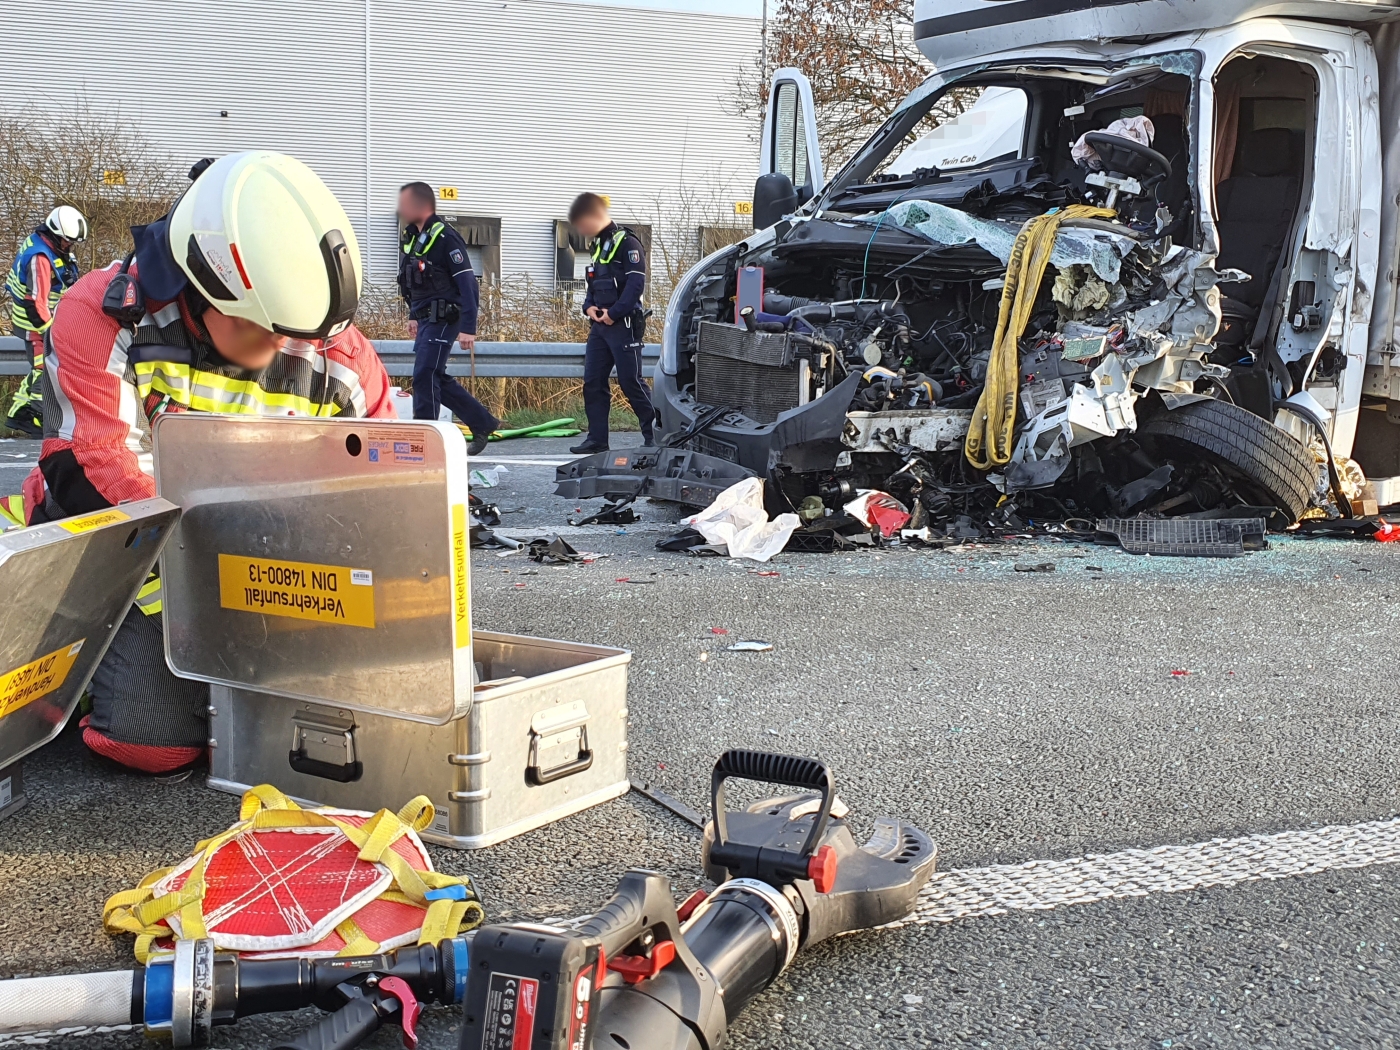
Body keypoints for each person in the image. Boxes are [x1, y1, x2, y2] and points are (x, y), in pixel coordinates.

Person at [21, 151, 398, 774]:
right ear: (202, 285)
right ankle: (83, 662)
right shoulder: (106, 314)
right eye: (261, 329)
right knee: (150, 746)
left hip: (269, 563)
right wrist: (226, 564)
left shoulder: (332, 344)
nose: (283, 348)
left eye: (296, 334)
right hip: (138, 557)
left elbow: (386, 482)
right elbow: (91, 461)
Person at [395, 182, 498, 456]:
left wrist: (468, 327)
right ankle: (482, 422)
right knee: (434, 375)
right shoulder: (413, 238)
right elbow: (414, 281)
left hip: (446, 317)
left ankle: (425, 440)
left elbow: (468, 284)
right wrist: (413, 315)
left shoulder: (446, 238)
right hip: (427, 318)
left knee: (425, 374)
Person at [567, 192, 653, 454]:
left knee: (631, 382)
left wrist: (614, 313)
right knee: (593, 381)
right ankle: (597, 439)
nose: (580, 230)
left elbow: (636, 285)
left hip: (623, 323)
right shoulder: (598, 246)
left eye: (582, 223)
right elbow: (593, 283)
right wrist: (588, 307)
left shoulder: (628, 243)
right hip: (600, 326)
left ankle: (656, 435)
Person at [4, 206, 88, 437]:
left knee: (39, 368)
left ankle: (19, 411)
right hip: (35, 323)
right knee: (44, 369)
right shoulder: (40, 258)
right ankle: (38, 417)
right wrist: (51, 333)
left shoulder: (49, 247)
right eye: (66, 241)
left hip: (43, 318)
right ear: (54, 234)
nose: (68, 245)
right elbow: (35, 301)